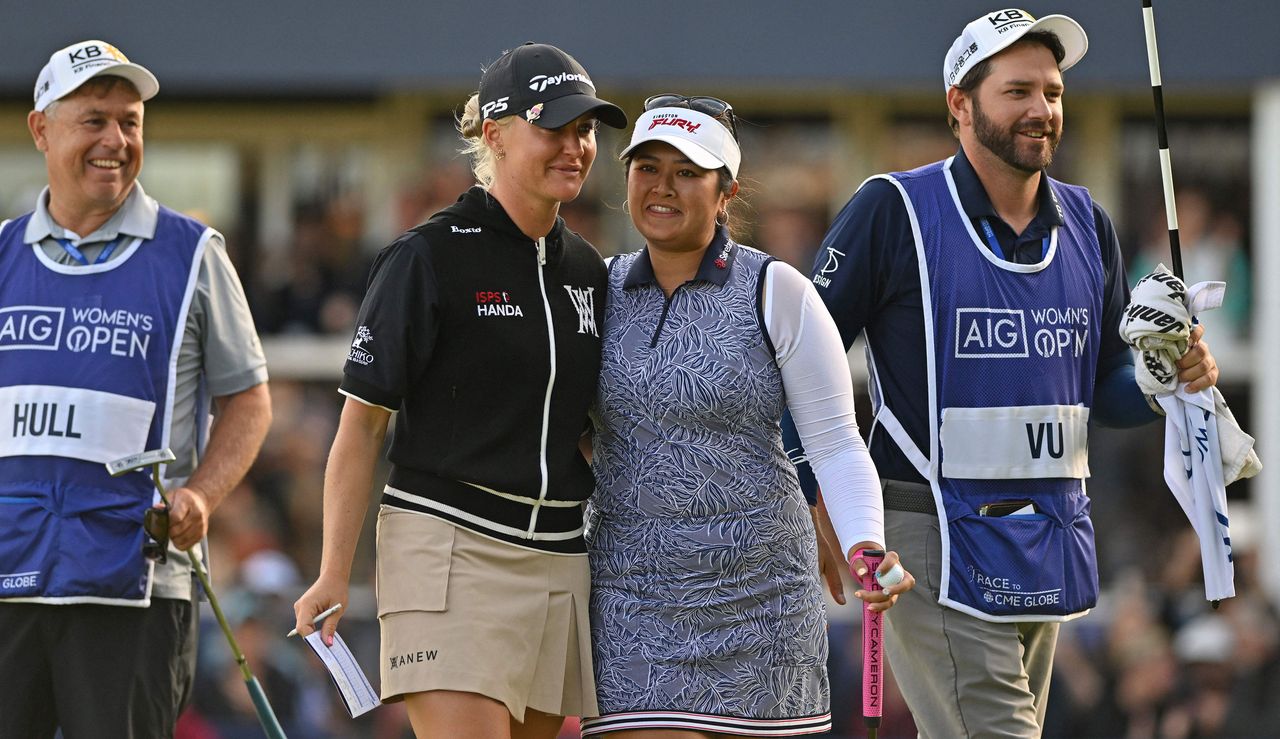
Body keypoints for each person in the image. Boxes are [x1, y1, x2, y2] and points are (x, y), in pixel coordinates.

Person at [786, 10, 1221, 737]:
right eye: (1017, 91)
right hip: (929, 533)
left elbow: (1104, 387)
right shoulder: (892, 211)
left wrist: (1161, 380)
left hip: (1047, 533)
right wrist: (819, 502)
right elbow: (796, 362)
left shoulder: (1088, 222)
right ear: (960, 102)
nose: (1041, 110)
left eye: (1051, 93)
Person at [291, 43, 627, 739]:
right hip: (447, 547)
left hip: (561, 557)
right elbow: (361, 425)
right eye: (554, 128)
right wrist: (332, 572)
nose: (575, 147)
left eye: (585, 130)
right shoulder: (428, 257)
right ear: (496, 134)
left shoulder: (591, 271)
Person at [580, 95, 914, 738]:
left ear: (726, 190)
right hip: (630, 604)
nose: (662, 187)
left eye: (687, 172)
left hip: (765, 607)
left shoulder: (779, 290)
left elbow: (836, 442)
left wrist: (863, 545)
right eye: (647, 167)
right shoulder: (595, 289)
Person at [0, 40, 272, 738]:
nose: (116, 140)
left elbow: (248, 398)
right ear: (42, 130)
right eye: (94, 120)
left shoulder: (193, 253)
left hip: (135, 586)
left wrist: (202, 495)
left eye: (130, 122)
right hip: (9, 576)